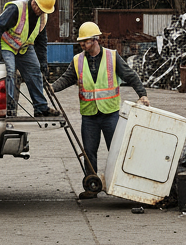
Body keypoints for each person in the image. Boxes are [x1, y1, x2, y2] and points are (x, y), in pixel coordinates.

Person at [51, 21, 150, 198]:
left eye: (85, 41)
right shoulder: (78, 60)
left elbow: (130, 75)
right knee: (89, 151)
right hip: (89, 115)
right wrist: (52, 88)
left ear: (95, 39)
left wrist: (142, 94)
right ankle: (91, 186)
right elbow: (66, 79)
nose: (82, 44)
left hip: (110, 113)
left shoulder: (112, 57)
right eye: (81, 41)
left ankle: (120, 185)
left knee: (116, 149)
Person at [0, 0, 58, 117]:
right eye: (40, 9)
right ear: (34, 2)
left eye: (44, 11)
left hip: (23, 46)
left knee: (35, 71)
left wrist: (43, 63)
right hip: (5, 43)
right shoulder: (16, 9)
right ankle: (8, 109)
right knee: (10, 71)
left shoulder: (42, 17)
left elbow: (41, 42)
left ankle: (41, 108)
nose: (41, 12)